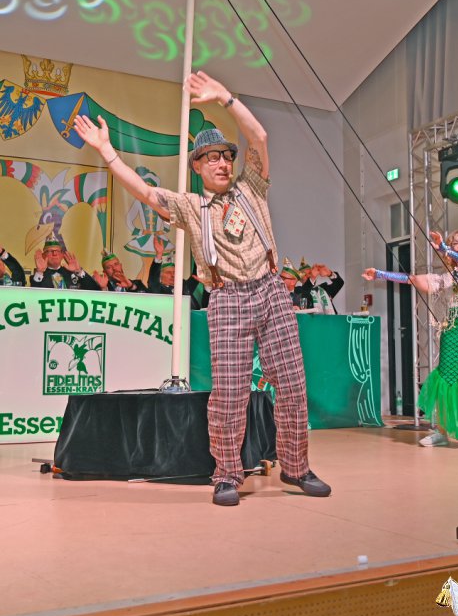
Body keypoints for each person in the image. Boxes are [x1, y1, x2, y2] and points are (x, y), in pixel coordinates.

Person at [74, 70, 331, 507]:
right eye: (211, 158)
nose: (222, 163)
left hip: (271, 291)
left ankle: (296, 466)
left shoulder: (252, 187)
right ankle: (227, 474)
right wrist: (108, 153)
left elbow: (260, 136)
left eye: (226, 156)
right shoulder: (192, 207)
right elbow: (146, 193)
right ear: (197, 166)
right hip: (227, 299)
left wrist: (225, 97)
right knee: (229, 394)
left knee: (291, 386)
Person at [363, 229, 458, 450]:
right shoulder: (446, 278)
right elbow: (413, 279)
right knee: (445, 376)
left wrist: (445, 248)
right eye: (456, 243)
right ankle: (441, 432)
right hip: (454, 326)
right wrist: (380, 274)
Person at [148, 235, 209, 308]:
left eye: (175, 272)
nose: (173, 275)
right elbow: (153, 279)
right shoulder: (157, 289)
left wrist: (199, 252)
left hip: (194, 314)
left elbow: (197, 274)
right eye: (168, 272)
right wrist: (159, 255)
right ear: (160, 276)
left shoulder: (184, 286)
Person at [31, 235, 100, 290]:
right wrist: (39, 272)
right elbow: (33, 295)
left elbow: (94, 289)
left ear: (62, 255)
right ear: (43, 255)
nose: (54, 254)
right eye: (50, 251)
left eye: (57, 251)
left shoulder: (73, 274)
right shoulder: (37, 277)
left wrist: (79, 271)